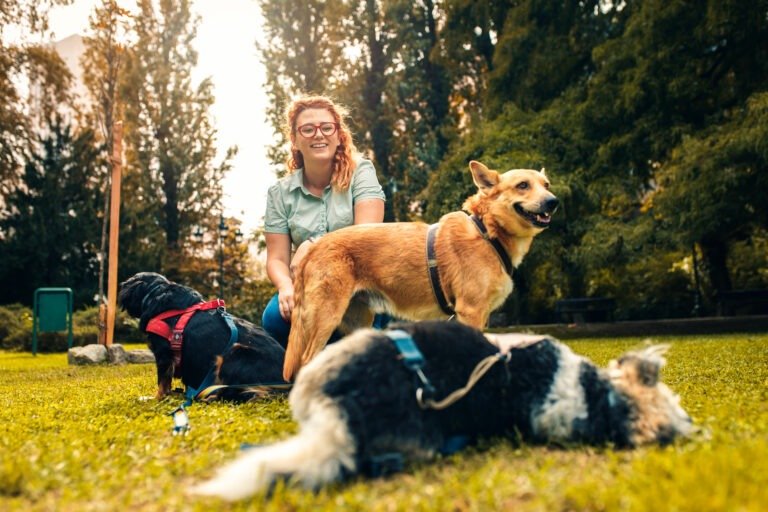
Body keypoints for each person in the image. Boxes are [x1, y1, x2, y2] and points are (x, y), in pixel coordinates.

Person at [261, 95, 387, 347]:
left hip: (363, 280)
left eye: (326, 127)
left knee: (380, 313)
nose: (318, 134)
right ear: (295, 140)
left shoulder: (361, 172)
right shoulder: (279, 193)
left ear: (338, 134)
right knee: (274, 318)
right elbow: (276, 259)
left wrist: (313, 245)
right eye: (307, 129)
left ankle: (366, 352)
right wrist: (286, 287)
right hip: (313, 284)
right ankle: (322, 357)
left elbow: (367, 236)